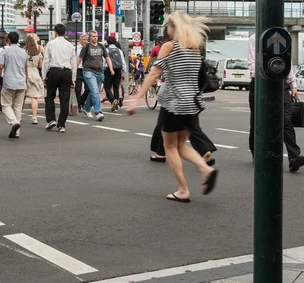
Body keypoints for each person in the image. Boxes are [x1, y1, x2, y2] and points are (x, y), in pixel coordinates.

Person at [128, 11, 218, 202]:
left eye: (167, 27)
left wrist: (137, 98)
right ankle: (205, 169)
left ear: (172, 27)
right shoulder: (195, 47)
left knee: (170, 147)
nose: (166, 30)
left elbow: (153, 74)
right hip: (191, 103)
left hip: (173, 102)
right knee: (180, 144)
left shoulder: (169, 46)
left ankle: (183, 190)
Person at [248, 34, 304, 172]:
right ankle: (256, 152)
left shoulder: (283, 37)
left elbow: (287, 62)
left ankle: (294, 156)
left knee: (286, 120)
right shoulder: (254, 38)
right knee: (258, 120)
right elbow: (252, 63)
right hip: (261, 83)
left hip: (281, 84)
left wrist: (293, 84)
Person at [42, 23, 76, 133]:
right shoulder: (70, 45)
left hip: (54, 71)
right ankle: (62, 125)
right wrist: (73, 78)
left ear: (55, 32)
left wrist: (44, 75)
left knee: (50, 96)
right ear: (65, 32)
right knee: (64, 99)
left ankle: (51, 119)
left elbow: (46, 60)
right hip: (66, 72)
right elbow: (73, 62)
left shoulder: (51, 44)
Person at [0, 31, 28, 139]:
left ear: (8, 40)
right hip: (21, 82)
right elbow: (26, 68)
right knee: (18, 108)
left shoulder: (5, 51)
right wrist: (26, 82)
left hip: (9, 81)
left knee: (5, 105)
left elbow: (0, 66)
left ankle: (14, 122)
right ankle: (17, 132)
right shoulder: (24, 52)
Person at [78, 30, 114, 121]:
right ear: (90, 38)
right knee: (94, 91)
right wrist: (74, 72)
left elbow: (107, 58)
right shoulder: (86, 47)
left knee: (93, 92)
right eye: (93, 36)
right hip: (88, 72)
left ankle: (86, 108)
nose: (95, 38)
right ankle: (98, 112)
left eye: (96, 36)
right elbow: (79, 59)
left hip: (100, 72)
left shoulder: (101, 46)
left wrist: (111, 68)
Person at [24, 34, 44, 124]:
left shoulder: (24, 52)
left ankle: (18, 114)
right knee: (34, 97)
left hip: (26, 74)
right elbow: (40, 65)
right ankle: (34, 117)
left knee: (21, 96)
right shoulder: (39, 52)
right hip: (35, 74)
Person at [104, 36, 127, 112]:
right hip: (118, 70)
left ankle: (113, 100)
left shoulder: (106, 50)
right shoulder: (119, 50)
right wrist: (123, 73)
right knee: (116, 87)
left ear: (107, 42)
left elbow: (104, 61)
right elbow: (123, 63)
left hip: (109, 70)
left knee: (107, 87)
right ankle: (115, 106)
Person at [74, 34, 89, 111]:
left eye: (86, 39)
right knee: (78, 89)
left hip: (87, 70)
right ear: (80, 40)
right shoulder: (76, 48)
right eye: (84, 39)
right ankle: (79, 105)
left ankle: (82, 101)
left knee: (88, 88)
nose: (85, 41)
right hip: (78, 70)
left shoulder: (89, 47)